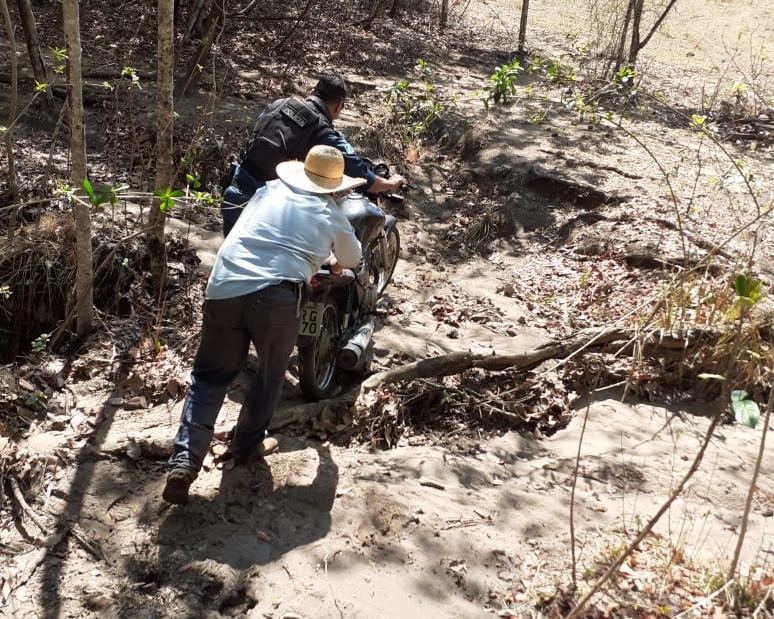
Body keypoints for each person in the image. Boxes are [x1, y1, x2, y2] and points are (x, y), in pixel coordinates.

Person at [163, 145, 364, 505]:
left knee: (209, 377)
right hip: (276, 298)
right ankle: (247, 445)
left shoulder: (268, 190)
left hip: (225, 286)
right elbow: (352, 259)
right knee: (270, 375)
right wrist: (329, 256)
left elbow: (246, 231)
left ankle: (184, 460)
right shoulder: (331, 212)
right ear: (337, 187)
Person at [221, 73, 405, 236]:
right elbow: (362, 176)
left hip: (235, 192)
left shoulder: (280, 104)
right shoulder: (322, 131)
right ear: (339, 105)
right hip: (271, 209)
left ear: (312, 91)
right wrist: (390, 183)